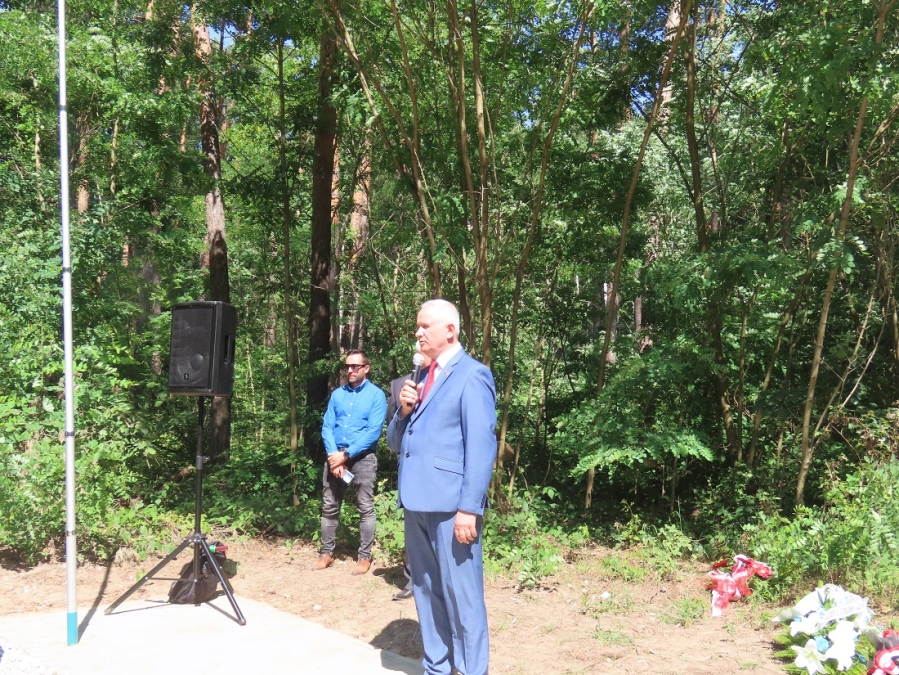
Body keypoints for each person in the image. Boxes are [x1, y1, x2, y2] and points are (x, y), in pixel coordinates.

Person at [387, 300, 497, 675]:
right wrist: (403, 411)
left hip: (452, 507)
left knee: (462, 596)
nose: (417, 333)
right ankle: (437, 665)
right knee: (425, 589)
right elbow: (395, 443)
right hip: (415, 502)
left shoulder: (473, 375)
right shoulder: (418, 376)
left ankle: (470, 669)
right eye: (417, 326)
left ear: (450, 330)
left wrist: (469, 507)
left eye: (424, 326)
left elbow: (481, 446)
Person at [314, 349, 387, 575]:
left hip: (362, 458)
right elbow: (327, 427)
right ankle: (326, 553)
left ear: (366, 368)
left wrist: (346, 456)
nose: (350, 370)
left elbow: (373, 432)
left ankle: (364, 557)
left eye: (355, 366)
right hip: (335, 457)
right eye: (347, 366)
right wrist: (334, 456)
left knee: (365, 507)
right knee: (329, 506)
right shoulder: (338, 395)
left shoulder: (376, 395)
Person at [385, 352, 432, 601]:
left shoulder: (451, 378)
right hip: (411, 471)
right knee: (413, 533)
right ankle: (413, 581)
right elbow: (394, 439)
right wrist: (403, 411)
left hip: (441, 472)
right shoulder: (398, 385)